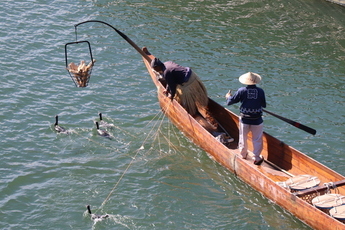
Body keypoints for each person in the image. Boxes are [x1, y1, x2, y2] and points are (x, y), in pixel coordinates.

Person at [226, 72, 266, 165]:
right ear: (256, 81)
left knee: (243, 137)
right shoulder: (260, 91)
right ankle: (256, 157)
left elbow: (230, 102)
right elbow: (263, 105)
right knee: (257, 139)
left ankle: (243, 154)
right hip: (257, 119)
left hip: (245, 120)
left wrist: (228, 97)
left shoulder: (241, 90)